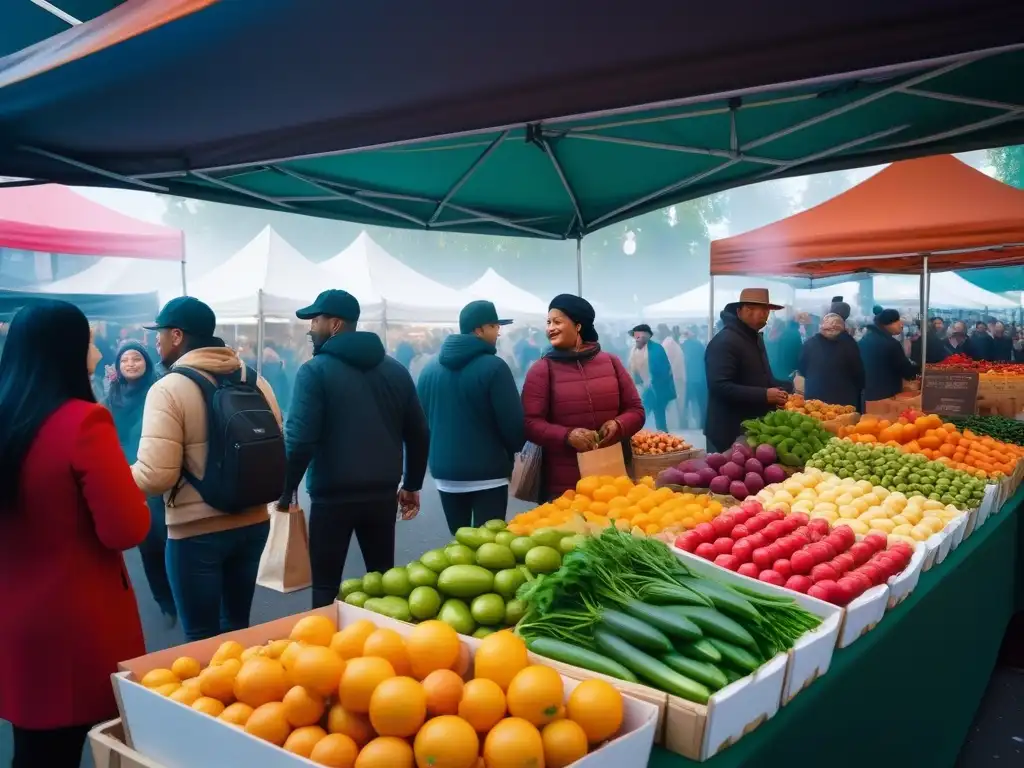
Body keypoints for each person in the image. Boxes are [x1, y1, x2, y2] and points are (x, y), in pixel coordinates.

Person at [0, 301, 150, 768]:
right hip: (76, 622)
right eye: (88, 341)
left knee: (34, 749)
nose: (96, 350)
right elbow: (125, 528)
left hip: (14, 615)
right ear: (66, 350)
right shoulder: (84, 422)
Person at [132, 297, 283, 641]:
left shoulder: (168, 388)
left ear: (177, 335)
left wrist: (111, 476)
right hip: (254, 523)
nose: (155, 340)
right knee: (236, 632)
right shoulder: (257, 382)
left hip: (196, 535)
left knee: (202, 639)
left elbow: (156, 475)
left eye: (160, 333)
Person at [278, 290, 430, 608]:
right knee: (384, 581)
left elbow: (300, 439)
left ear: (334, 325)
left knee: (325, 586)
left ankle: (325, 648)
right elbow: (418, 432)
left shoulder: (314, 371)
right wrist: (412, 484)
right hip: (381, 496)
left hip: (332, 497)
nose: (310, 328)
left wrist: (285, 491)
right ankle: (384, 645)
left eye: (315, 320)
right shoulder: (395, 370)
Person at [522, 295, 645, 500]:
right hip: (564, 487)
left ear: (578, 325)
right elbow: (529, 423)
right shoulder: (542, 369)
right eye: (548, 322)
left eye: (557, 322)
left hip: (612, 480)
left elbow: (636, 410)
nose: (550, 328)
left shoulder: (611, 363)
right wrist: (567, 436)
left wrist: (618, 425)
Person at [418, 300, 525, 534]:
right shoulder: (495, 368)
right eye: (494, 326)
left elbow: (421, 422)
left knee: (460, 546)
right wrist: (513, 454)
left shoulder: (428, 370)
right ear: (479, 330)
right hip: (489, 475)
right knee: (489, 549)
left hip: (445, 474)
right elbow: (513, 425)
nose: (498, 332)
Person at [105, 341, 177, 628]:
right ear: (119, 367)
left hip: (161, 479)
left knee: (172, 541)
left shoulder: (158, 393)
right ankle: (164, 601)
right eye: (125, 360)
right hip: (129, 481)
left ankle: (180, 594)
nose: (131, 364)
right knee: (149, 547)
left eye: (137, 358)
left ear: (147, 362)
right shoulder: (110, 398)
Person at [704, 288, 793, 453]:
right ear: (740, 311)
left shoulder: (755, 338)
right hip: (728, 431)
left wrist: (786, 388)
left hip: (752, 428)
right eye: (752, 308)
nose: (763, 313)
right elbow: (719, 386)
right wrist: (764, 395)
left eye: (766, 309)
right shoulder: (725, 341)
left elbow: (765, 378)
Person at [798, 313, 865, 409]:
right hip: (843, 400)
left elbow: (802, 368)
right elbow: (858, 372)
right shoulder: (849, 344)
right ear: (842, 328)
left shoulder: (809, 343)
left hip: (814, 400)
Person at [859, 308, 920, 401]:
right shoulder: (890, 343)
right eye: (897, 322)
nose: (901, 325)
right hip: (886, 394)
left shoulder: (864, 340)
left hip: (867, 393)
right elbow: (905, 369)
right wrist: (918, 368)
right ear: (887, 324)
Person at [628, 323, 676, 432]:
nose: (636, 339)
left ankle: (663, 438)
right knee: (646, 414)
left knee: (655, 414)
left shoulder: (657, 349)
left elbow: (664, 370)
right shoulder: (634, 350)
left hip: (656, 388)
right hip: (643, 388)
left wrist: (655, 385)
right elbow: (633, 369)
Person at [657, 323, 687, 429]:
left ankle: (677, 425)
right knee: (679, 402)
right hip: (677, 376)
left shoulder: (667, 344)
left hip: (675, 378)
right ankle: (680, 424)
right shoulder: (671, 342)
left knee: (674, 402)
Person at [681, 326, 707, 428]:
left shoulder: (684, 345)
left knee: (685, 403)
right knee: (701, 403)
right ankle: (702, 424)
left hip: (687, 378)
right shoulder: (699, 345)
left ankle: (684, 424)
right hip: (699, 378)